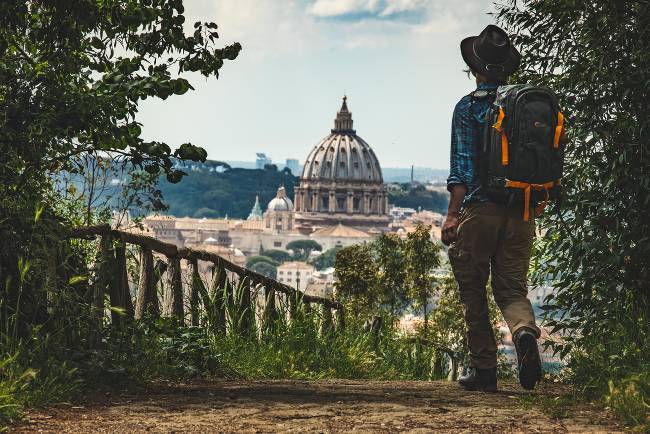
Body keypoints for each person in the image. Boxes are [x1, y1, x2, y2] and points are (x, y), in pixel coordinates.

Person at [441, 24, 542, 392]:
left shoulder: (469, 108)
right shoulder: (525, 107)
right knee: (513, 289)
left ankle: (484, 370)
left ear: (475, 67)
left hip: (481, 210)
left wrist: (453, 215)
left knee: (472, 287)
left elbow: (461, 170)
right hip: (522, 210)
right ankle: (524, 332)